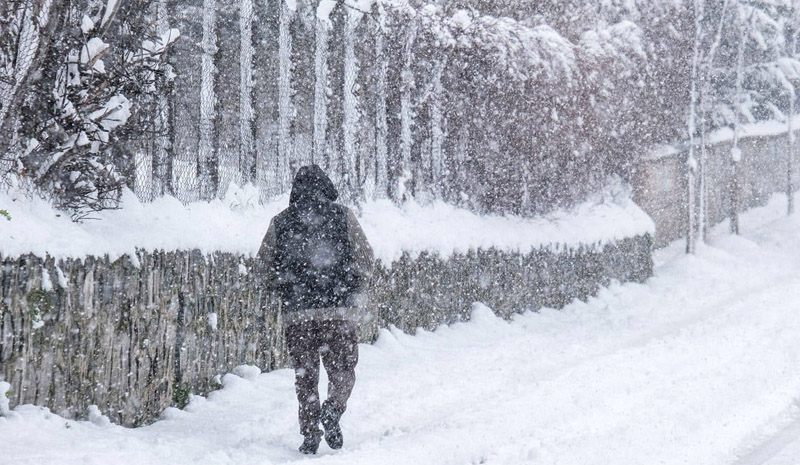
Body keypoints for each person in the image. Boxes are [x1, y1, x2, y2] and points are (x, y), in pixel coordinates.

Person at [257, 165, 374, 455]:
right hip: (338, 311)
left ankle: (310, 433)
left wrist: (283, 286)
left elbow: (262, 268)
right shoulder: (343, 216)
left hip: (298, 315)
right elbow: (366, 258)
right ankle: (333, 409)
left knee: (305, 376)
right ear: (327, 187)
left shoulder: (281, 222)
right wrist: (353, 286)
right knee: (343, 369)